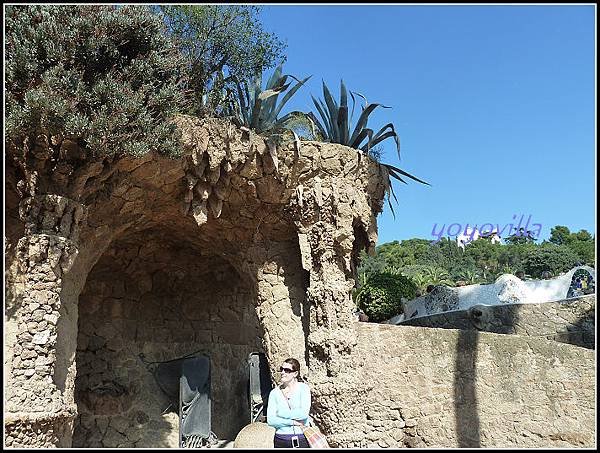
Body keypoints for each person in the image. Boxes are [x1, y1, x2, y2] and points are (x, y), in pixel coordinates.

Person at [267, 358, 311, 448]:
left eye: (287, 370)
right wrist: (292, 422)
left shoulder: (303, 389)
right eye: (281, 369)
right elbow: (271, 420)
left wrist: (280, 413)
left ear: (295, 373)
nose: (283, 372)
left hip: (301, 437)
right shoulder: (274, 393)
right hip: (280, 439)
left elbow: (303, 414)